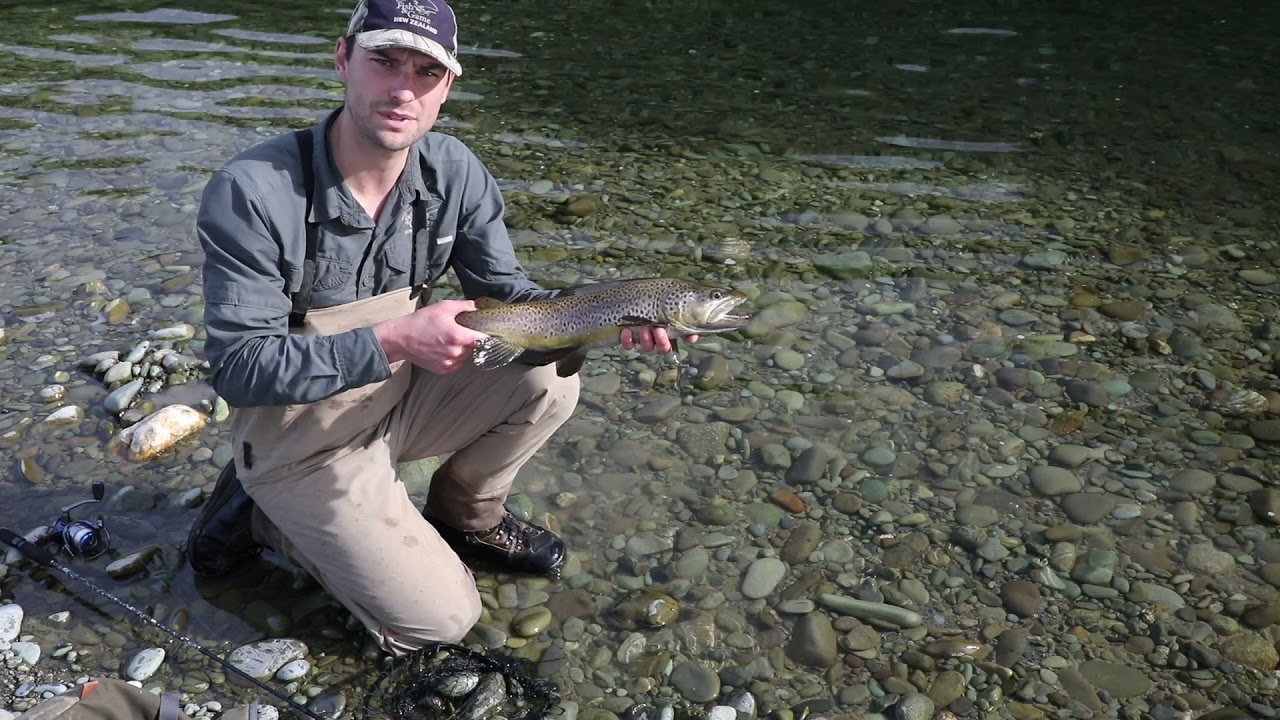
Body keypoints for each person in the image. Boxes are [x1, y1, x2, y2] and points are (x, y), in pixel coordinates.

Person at [186, 0, 691, 656]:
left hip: (396, 402)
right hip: (296, 438)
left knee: (547, 377)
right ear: (343, 59)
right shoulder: (255, 192)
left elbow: (512, 299)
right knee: (442, 623)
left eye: (427, 71)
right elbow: (238, 369)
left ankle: (465, 519)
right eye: (384, 61)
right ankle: (263, 514)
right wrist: (396, 338)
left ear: (447, 87)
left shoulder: (453, 172)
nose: (403, 87)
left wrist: (618, 309)